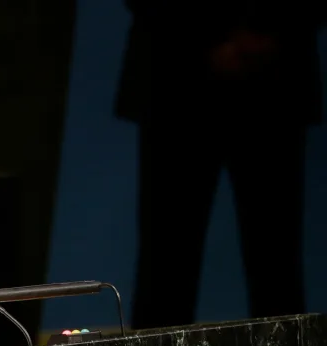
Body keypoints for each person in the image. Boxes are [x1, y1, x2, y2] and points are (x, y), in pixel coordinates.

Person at [116, 1, 326, 329]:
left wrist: (259, 33)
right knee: (166, 262)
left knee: (276, 264)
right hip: (176, 83)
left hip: (272, 84)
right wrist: (218, 38)